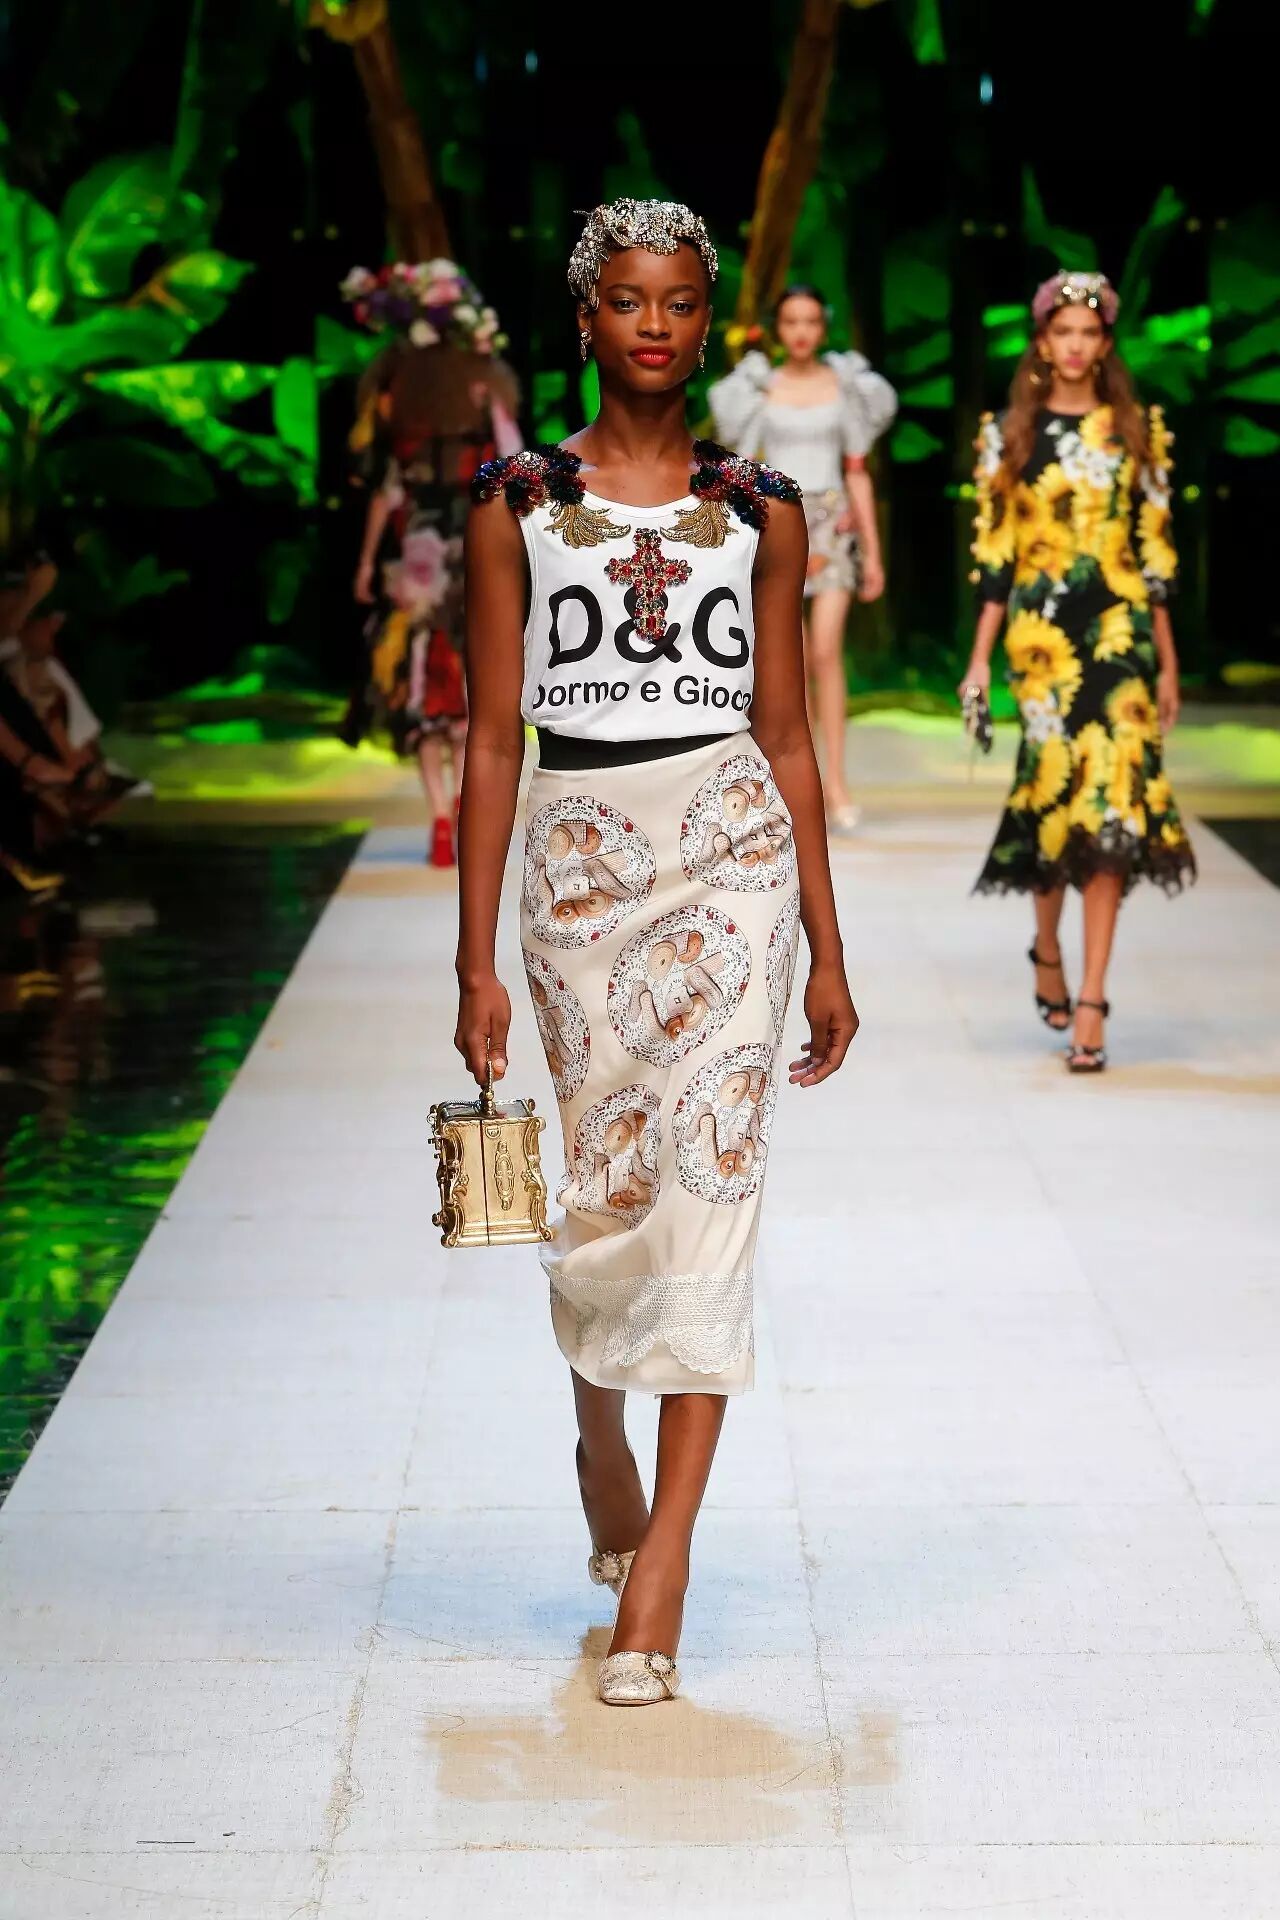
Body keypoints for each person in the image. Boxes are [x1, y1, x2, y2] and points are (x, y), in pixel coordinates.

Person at [456, 198, 858, 1706]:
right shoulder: (515, 500)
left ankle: (663, 1568)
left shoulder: (762, 506)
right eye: (626, 300)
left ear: (706, 322)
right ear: (585, 317)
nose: (653, 325)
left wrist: (825, 946)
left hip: (732, 852)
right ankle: (597, 1435)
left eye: (679, 302)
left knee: (713, 1184)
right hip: (576, 864)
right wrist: (474, 961)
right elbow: (490, 739)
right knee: (610, 1183)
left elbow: (788, 736)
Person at [961, 270, 1196, 1073]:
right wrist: (978, 659)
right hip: (1041, 645)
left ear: (1104, 344)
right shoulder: (1008, 435)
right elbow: (996, 555)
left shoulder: (1138, 431)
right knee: (1052, 797)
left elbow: (1154, 549)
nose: (1074, 345)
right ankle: (1048, 947)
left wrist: (1168, 660)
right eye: (1062, 332)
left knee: (1113, 811)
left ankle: (1092, 997)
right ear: (1042, 341)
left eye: (1088, 333)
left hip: (1121, 633)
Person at [345, 263, 522, 867]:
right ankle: (464, 815)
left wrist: (366, 563)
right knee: (470, 691)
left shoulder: (399, 404)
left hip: (418, 555)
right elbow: (512, 469)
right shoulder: (485, 394)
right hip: (472, 551)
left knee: (423, 686)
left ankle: (442, 820)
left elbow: (387, 490)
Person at [708, 286, 896, 833]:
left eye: (811, 321)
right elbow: (745, 469)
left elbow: (857, 469)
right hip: (781, 522)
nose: (801, 332)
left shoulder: (845, 386)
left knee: (826, 652)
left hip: (834, 525)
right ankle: (803, 780)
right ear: (777, 329)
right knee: (793, 660)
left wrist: (874, 552)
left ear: (823, 326)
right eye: (791, 321)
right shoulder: (760, 388)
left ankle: (837, 782)